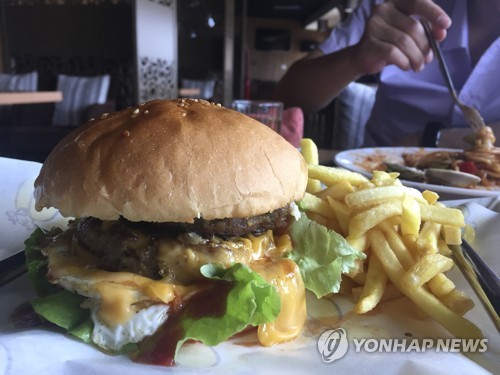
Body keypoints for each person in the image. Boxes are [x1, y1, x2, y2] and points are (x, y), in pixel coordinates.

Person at [275, 0, 500, 147]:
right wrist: (355, 59)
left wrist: (434, 139)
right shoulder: (396, 6)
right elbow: (287, 96)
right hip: (380, 183)